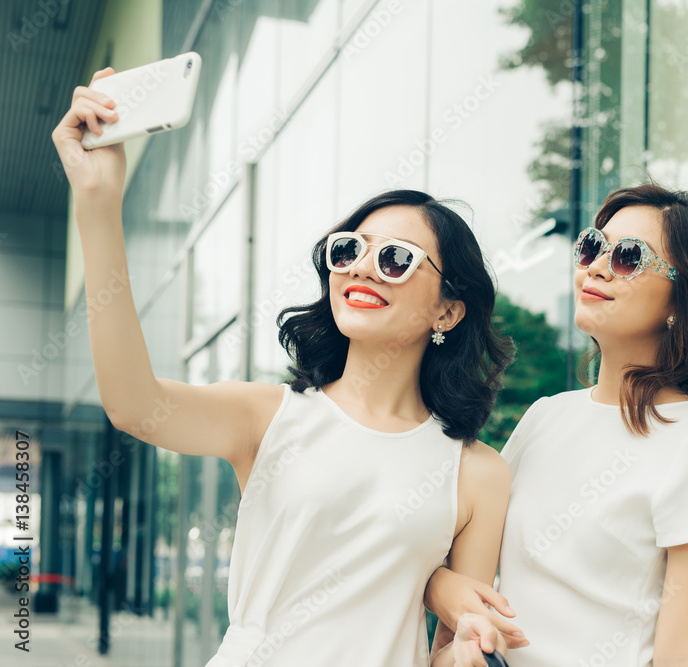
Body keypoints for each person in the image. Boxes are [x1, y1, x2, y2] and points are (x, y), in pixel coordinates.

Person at [52, 67, 515, 666]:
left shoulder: (478, 472)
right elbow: (132, 405)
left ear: (448, 309)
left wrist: (470, 648)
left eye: (396, 259)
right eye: (348, 250)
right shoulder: (268, 415)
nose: (361, 268)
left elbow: (448, 654)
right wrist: (96, 201)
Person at [425, 182, 688, 666]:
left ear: (680, 301)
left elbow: (683, 648)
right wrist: (445, 593)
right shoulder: (545, 417)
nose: (596, 266)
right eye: (591, 246)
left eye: (628, 256)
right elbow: (463, 565)